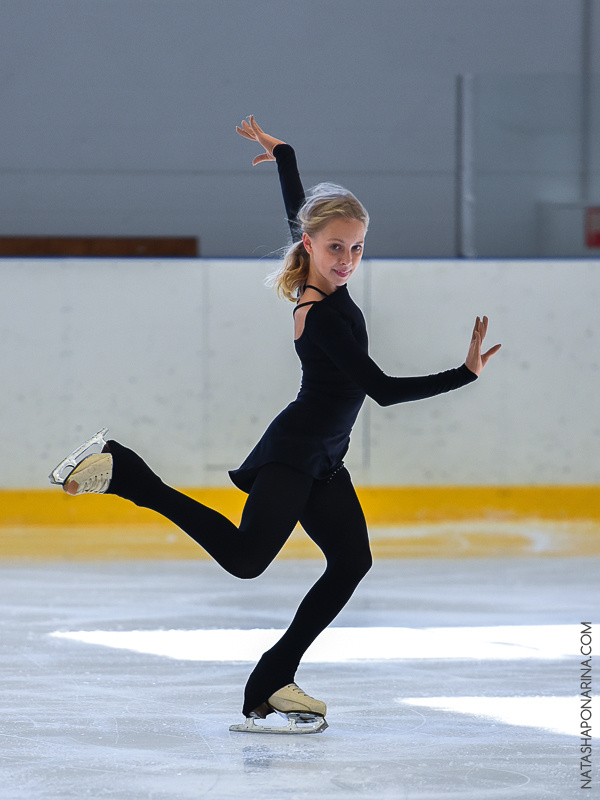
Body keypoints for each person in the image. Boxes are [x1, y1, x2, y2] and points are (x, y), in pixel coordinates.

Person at [49, 116, 501, 735]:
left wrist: (285, 154)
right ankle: (127, 473)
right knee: (246, 560)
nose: (348, 259)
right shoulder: (323, 316)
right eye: (337, 247)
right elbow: (384, 391)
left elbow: (298, 212)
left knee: (351, 561)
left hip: (322, 457)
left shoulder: (322, 276)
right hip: (296, 452)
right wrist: (464, 374)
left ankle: (272, 679)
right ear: (312, 247)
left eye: (357, 247)